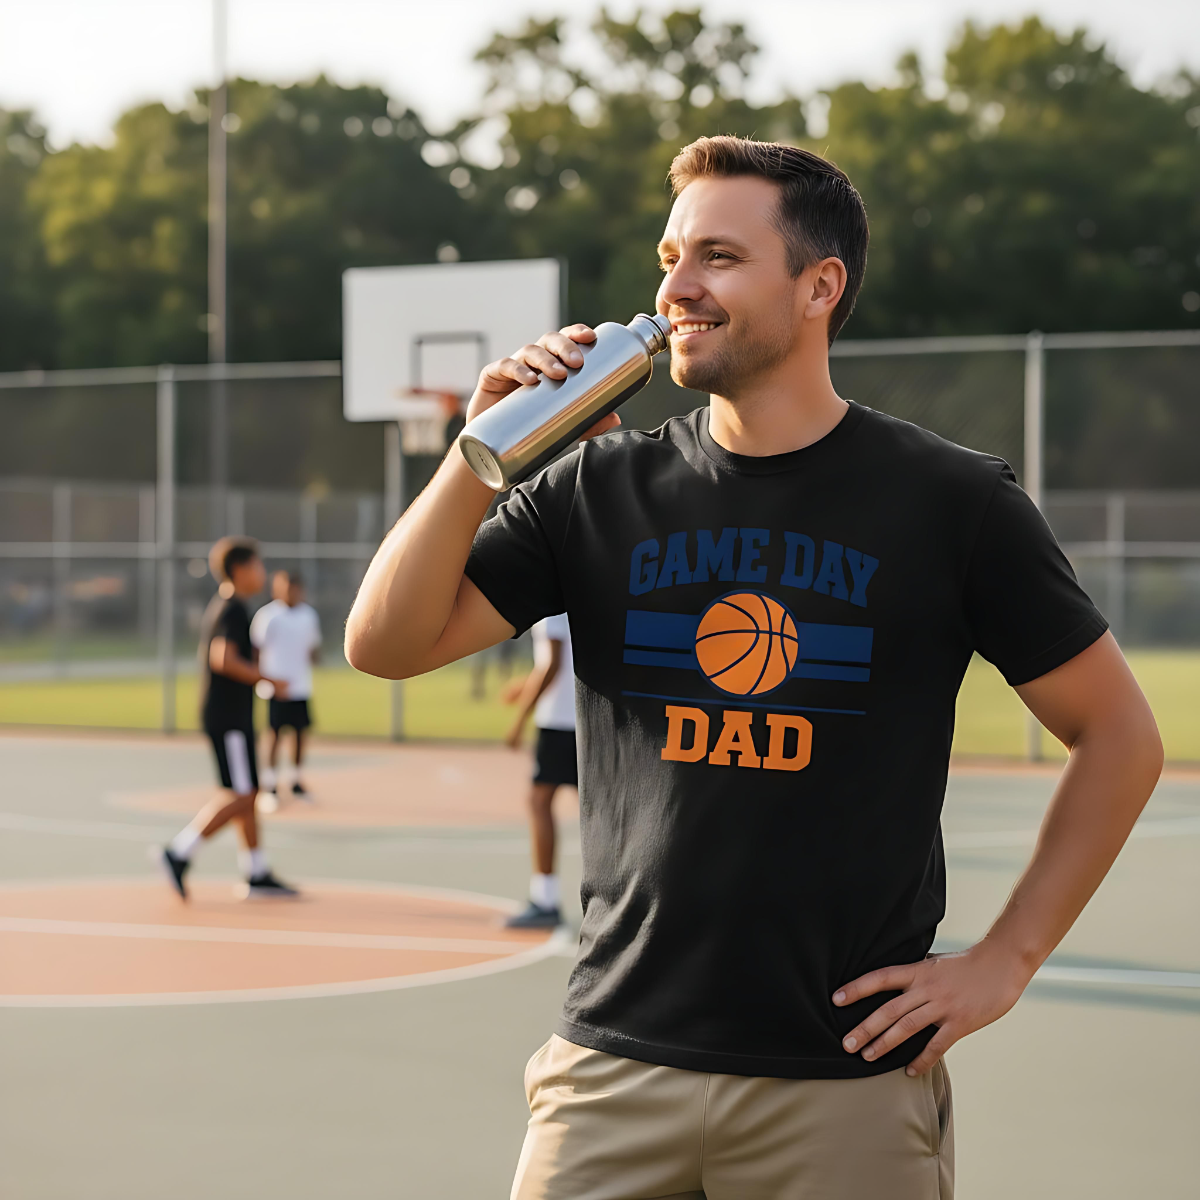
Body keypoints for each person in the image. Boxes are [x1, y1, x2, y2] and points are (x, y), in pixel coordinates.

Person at [344, 136, 1163, 1199]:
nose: (678, 287)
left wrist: (1005, 959)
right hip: (614, 1066)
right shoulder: (596, 486)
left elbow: (1120, 736)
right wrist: (478, 452)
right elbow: (385, 644)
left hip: (844, 1081)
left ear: (819, 285)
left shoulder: (951, 503)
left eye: (719, 257)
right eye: (670, 255)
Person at [160, 538, 299, 900]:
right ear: (240, 569)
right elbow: (222, 659)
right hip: (228, 717)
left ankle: (255, 871)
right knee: (241, 794)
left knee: (247, 794)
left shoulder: (232, 607)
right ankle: (179, 852)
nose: (262, 573)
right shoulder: (233, 609)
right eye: (258, 566)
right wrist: (268, 680)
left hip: (230, 715)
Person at [502, 613, 576, 928]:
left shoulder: (552, 607)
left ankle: (545, 900)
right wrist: (526, 686)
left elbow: (553, 663)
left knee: (539, 801)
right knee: (598, 810)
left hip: (561, 723)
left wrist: (520, 719)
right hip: (582, 717)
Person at [250, 569, 322, 808]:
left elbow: (313, 648)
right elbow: (256, 650)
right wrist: (263, 679)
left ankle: (295, 780)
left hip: (301, 685)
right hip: (275, 687)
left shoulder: (308, 616)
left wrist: (315, 658)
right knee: (274, 734)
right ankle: (269, 785)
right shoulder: (268, 615)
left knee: (300, 734)